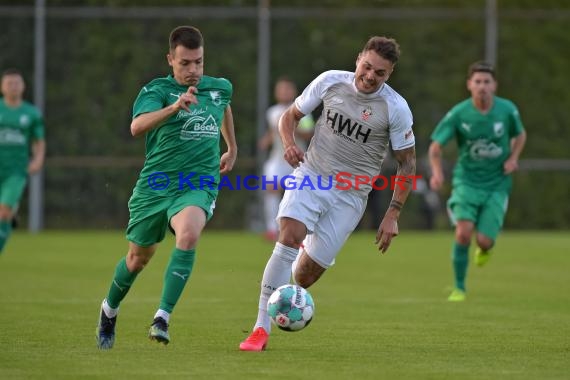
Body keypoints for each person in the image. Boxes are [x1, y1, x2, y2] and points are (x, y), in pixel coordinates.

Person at [239, 36, 416, 351]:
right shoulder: (330, 82)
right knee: (288, 235)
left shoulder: (396, 108)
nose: (371, 76)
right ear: (358, 59)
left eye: (380, 73)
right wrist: (290, 143)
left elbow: (407, 164)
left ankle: (303, 251)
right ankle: (259, 328)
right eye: (367, 67)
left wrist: (393, 213)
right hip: (311, 175)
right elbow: (289, 117)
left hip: (350, 197)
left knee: (304, 277)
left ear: (389, 74)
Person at [96, 25, 237, 349]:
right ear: (170, 60)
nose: (193, 70)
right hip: (156, 185)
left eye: (198, 62)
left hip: (197, 182)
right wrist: (174, 108)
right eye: (185, 63)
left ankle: (162, 317)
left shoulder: (218, 87)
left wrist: (232, 147)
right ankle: (109, 310)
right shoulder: (156, 91)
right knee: (137, 259)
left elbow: (224, 106)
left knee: (188, 235)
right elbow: (136, 127)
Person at [428, 61, 526, 302]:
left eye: (487, 82)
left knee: (484, 240)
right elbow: (435, 147)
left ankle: (484, 248)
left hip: (497, 184)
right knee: (463, 234)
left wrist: (513, 159)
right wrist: (437, 173)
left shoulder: (507, 110)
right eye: (478, 82)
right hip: (466, 182)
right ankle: (459, 288)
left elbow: (520, 135)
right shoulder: (459, 114)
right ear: (469, 85)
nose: (482, 86)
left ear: (495, 86)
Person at [257, 77, 314, 241]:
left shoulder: (302, 110)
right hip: (277, 159)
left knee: (298, 195)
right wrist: (266, 140)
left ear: (293, 92)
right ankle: (272, 229)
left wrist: (289, 127)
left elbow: (309, 133)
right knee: (271, 189)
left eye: (287, 89)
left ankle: (301, 228)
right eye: (280, 89)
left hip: (297, 159)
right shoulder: (272, 111)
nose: (283, 92)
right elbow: (273, 132)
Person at [0, 69, 46, 255]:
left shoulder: (31, 113)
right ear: (2, 87)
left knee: (2, 212)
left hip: (16, 171)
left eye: (17, 83)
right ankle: (10, 219)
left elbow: (38, 140)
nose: (13, 87)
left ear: (23, 86)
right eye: (9, 83)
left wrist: (38, 160)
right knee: (4, 215)